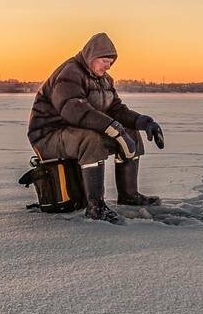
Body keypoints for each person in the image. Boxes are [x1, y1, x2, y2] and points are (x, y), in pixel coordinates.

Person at [27, 32, 166, 223]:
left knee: (130, 133)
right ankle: (96, 206)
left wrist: (144, 122)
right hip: (48, 134)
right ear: (91, 57)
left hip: (73, 130)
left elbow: (116, 109)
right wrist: (113, 128)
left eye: (111, 62)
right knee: (90, 139)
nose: (108, 66)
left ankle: (129, 195)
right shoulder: (70, 73)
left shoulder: (105, 80)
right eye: (104, 61)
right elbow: (73, 110)